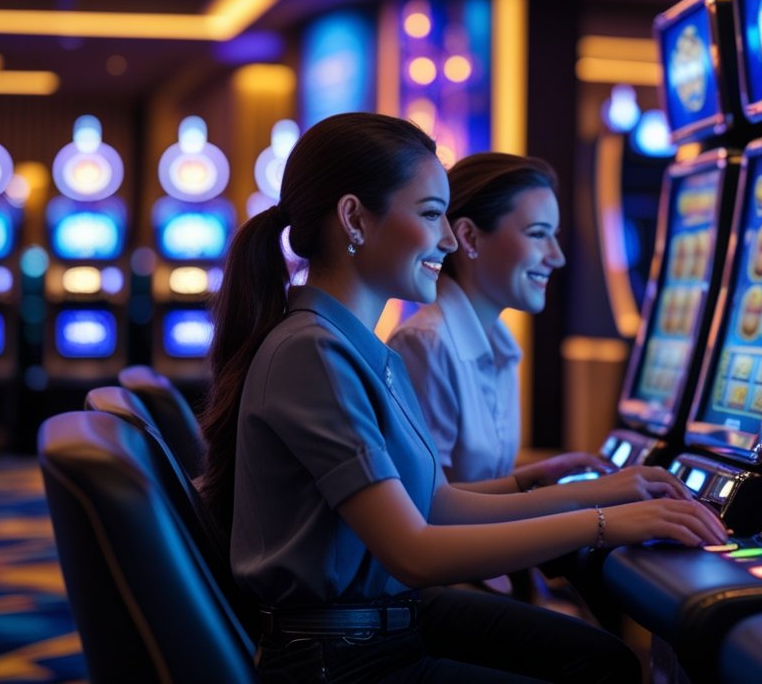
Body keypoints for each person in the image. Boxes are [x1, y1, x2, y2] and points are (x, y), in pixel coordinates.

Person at [199, 113, 727, 683]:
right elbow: (416, 551)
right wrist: (603, 521)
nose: (449, 240)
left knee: (603, 660)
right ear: (353, 218)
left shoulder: (353, 347)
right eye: (431, 216)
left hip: (379, 624)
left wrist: (601, 492)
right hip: (342, 659)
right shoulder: (313, 353)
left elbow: (436, 504)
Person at [388, 153, 606, 493]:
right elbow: (429, 506)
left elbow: (471, 484)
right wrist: (590, 506)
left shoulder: (501, 346)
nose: (557, 256)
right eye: (538, 234)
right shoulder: (424, 344)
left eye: (554, 235)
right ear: (470, 239)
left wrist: (535, 477)